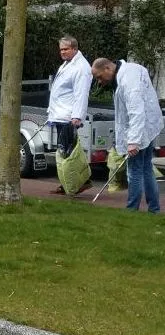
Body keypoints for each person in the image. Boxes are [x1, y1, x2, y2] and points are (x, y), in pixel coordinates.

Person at [90, 58, 162, 214]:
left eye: (99, 77)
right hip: (147, 126)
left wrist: (133, 141)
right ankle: (154, 209)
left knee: (134, 171)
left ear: (108, 68)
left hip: (140, 129)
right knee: (147, 168)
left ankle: (132, 209)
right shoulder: (130, 70)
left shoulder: (127, 81)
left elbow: (136, 111)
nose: (99, 82)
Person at [48, 35, 93, 195]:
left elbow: (82, 94)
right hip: (60, 114)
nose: (63, 52)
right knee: (65, 152)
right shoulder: (67, 64)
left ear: (75, 48)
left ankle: (79, 182)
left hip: (68, 117)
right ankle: (69, 182)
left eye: (66, 49)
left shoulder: (81, 67)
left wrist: (77, 116)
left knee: (69, 153)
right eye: (61, 49)